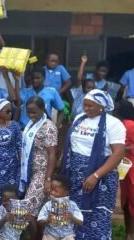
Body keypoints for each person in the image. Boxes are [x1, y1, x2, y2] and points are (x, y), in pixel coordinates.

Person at [61, 89, 126, 240]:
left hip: (101, 177)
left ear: (101, 106)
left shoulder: (113, 124)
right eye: (84, 105)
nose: (86, 108)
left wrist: (96, 176)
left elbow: (118, 154)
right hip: (75, 176)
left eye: (90, 106)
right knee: (75, 214)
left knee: (97, 216)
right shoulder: (79, 118)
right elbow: (71, 144)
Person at [19, 96, 58, 239]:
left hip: (41, 173)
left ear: (43, 109)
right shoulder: (31, 123)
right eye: (28, 112)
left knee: (28, 211)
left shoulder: (48, 127)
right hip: (29, 172)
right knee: (37, 212)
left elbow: (52, 154)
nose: (31, 115)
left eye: (34, 112)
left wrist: (48, 178)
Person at [38, 175, 83, 240]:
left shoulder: (72, 205)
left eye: (55, 190)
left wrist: (72, 217)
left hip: (67, 235)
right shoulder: (48, 205)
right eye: (51, 189)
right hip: (50, 234)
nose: (52, 192)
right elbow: (40, 221)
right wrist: (47, 220)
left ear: (66, 192)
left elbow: (80, 222)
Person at [114, 100, 134, 239]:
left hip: (131, 169)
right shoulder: (119, 125)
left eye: (116, 109)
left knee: (131, 202)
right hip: (124, 169)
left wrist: (121, 149)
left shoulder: (130, 125)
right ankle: (129, 234)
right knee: (126, 203)